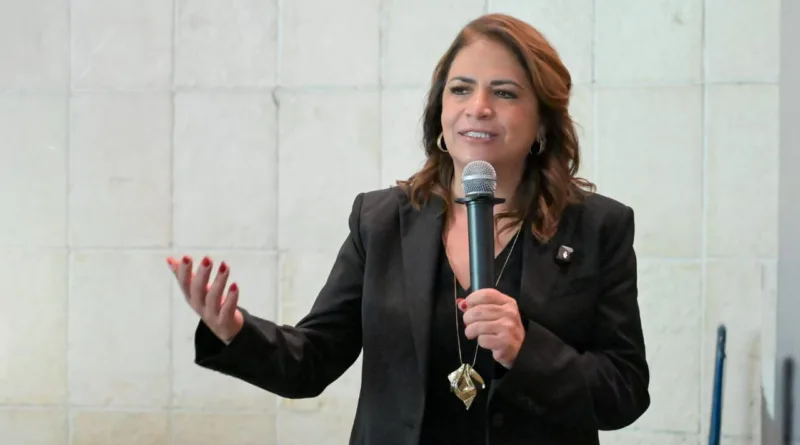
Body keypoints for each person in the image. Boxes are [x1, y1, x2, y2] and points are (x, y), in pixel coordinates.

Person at [166, 13, 650, 445]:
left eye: (504, 92)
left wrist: (528, 350)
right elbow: (310, 361)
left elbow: (625, 392)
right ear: (440, 111)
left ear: (542, 122)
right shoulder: (381, 221)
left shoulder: (598, 228)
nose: (478, 106)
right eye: (460, 89)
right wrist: (234, 331)